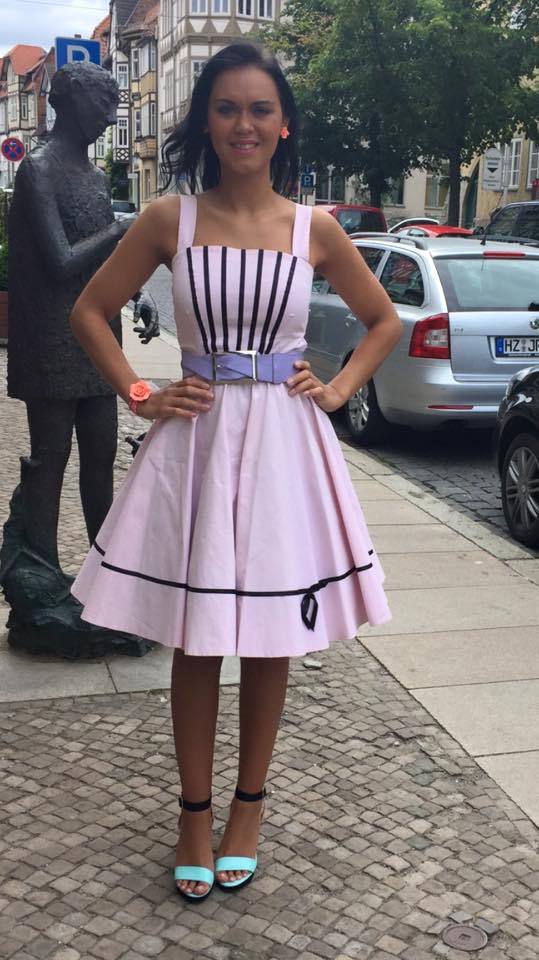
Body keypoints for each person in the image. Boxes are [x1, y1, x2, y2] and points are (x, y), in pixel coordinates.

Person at [69, 43, 402, 903]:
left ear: (282, 124)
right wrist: (141, 393)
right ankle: (193, 813)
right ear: (206, 122)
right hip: (198, 441)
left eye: (259, 109)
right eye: (226, 108)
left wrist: (336, 391)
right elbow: (90, 311)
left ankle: (247, 809)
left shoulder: (312, 228)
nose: (243, 124)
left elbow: (382, 321)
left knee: (268, 637)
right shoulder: (167, 219)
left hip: (284, 444)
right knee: (197, 635)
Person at [6, 61, 158, 570]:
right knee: (50, 460)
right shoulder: (39, 169)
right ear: (70, 104)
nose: (110, 117)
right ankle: (42, 571)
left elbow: (106, 263)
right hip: (50, 337)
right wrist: (121, 230)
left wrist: (136, 292)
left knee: (100, 459)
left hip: (97, 340)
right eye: (103, 105)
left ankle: (104, 573)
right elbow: (61, 261)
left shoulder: (93, 176)